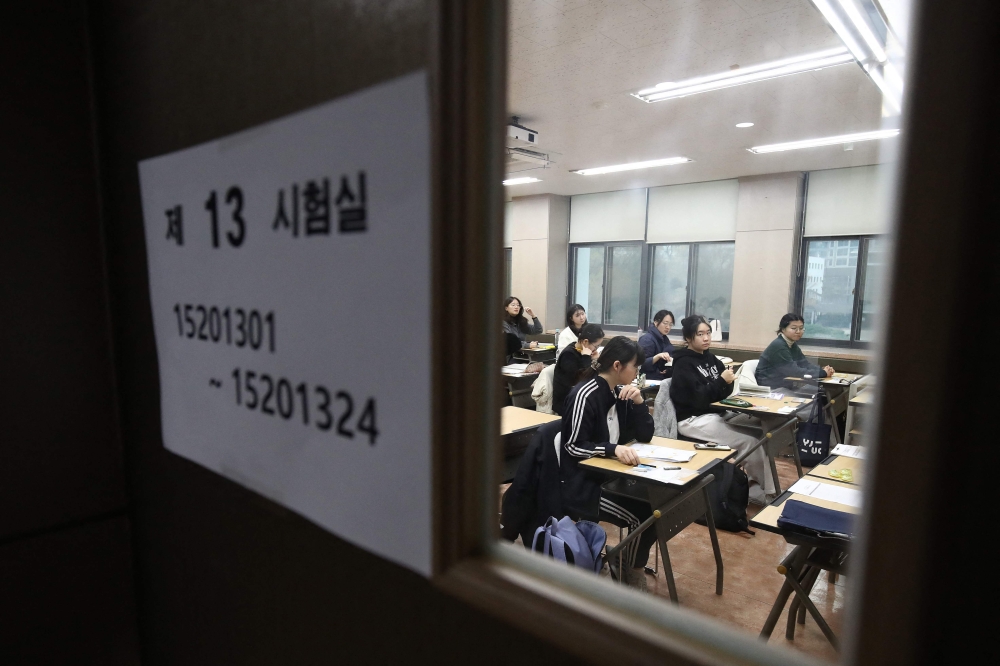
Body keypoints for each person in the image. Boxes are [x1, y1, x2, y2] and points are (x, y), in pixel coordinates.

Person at [560, 336, 655, 590]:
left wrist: (639, 403)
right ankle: (630, 569)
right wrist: (613, 449)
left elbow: (645, 436)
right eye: (635, 367)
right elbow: (572, 445)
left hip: (611, 477)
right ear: (617, 366)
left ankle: (627, 561)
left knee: (657, 504)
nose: (637, 373)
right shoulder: (585, 394)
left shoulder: (620, 393)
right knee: (643, 517)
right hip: (585, 484)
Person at [670, 315, 774, 504]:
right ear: (688, 338)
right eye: (700, 334)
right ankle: (771, 494)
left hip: (715, 413)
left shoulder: (710, 358)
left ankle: (754, 488)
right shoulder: (683, 363)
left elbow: (723, 393)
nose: (706, 338)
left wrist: (726, 382)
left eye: (708, 333)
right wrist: (721, 381)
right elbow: (697, 399)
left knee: (761, 433)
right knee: (749, 443)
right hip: (693, 419)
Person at [755, 313, 835, 389]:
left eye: (801, 328)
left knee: (820, 394)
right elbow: (794, 371)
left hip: (783, 386)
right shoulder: (779, 346)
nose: (798, 331)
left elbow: (805, 364)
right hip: (771, 389)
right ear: (783, 329)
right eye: (793, 328)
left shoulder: (791, 344)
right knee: (815, 396)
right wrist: (823, 373)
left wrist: (823, 370)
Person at [552, 323, 605, 416]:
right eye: (596, 346)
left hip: (581, 398)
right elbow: (583, 380)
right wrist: (586, 357)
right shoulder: (568, 355)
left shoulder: (584, 352)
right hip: (567, 403)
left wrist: (598, 360)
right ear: (585, 342)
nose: (596, 349)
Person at [637, 309, 675, 380]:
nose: (668, 327)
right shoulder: (647, 339)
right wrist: (658, 356)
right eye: (665, 323)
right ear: (656, 322)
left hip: (661, 376)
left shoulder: (664, 339)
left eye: (670, 324)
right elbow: (641, 364)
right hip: (649, 379)